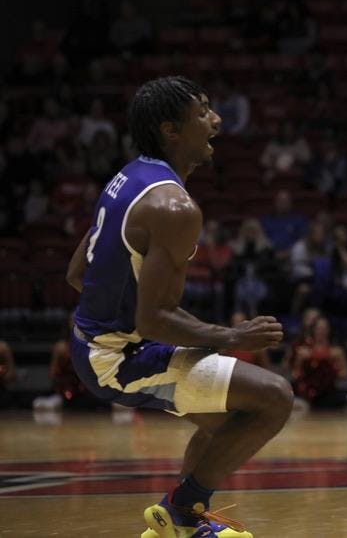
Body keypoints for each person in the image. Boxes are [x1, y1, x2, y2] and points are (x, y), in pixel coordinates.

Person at [65, 76, 291, 538]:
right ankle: (182, 512)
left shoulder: (127, 177)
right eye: (203, 112)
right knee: (274, 398)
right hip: (117, 357)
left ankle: (183, 523)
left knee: (227, 426)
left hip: (93, 342)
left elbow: (75, 274)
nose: (216, 120)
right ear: (171, 130)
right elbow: (152, 319)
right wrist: (232, 337)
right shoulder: (174, 207)